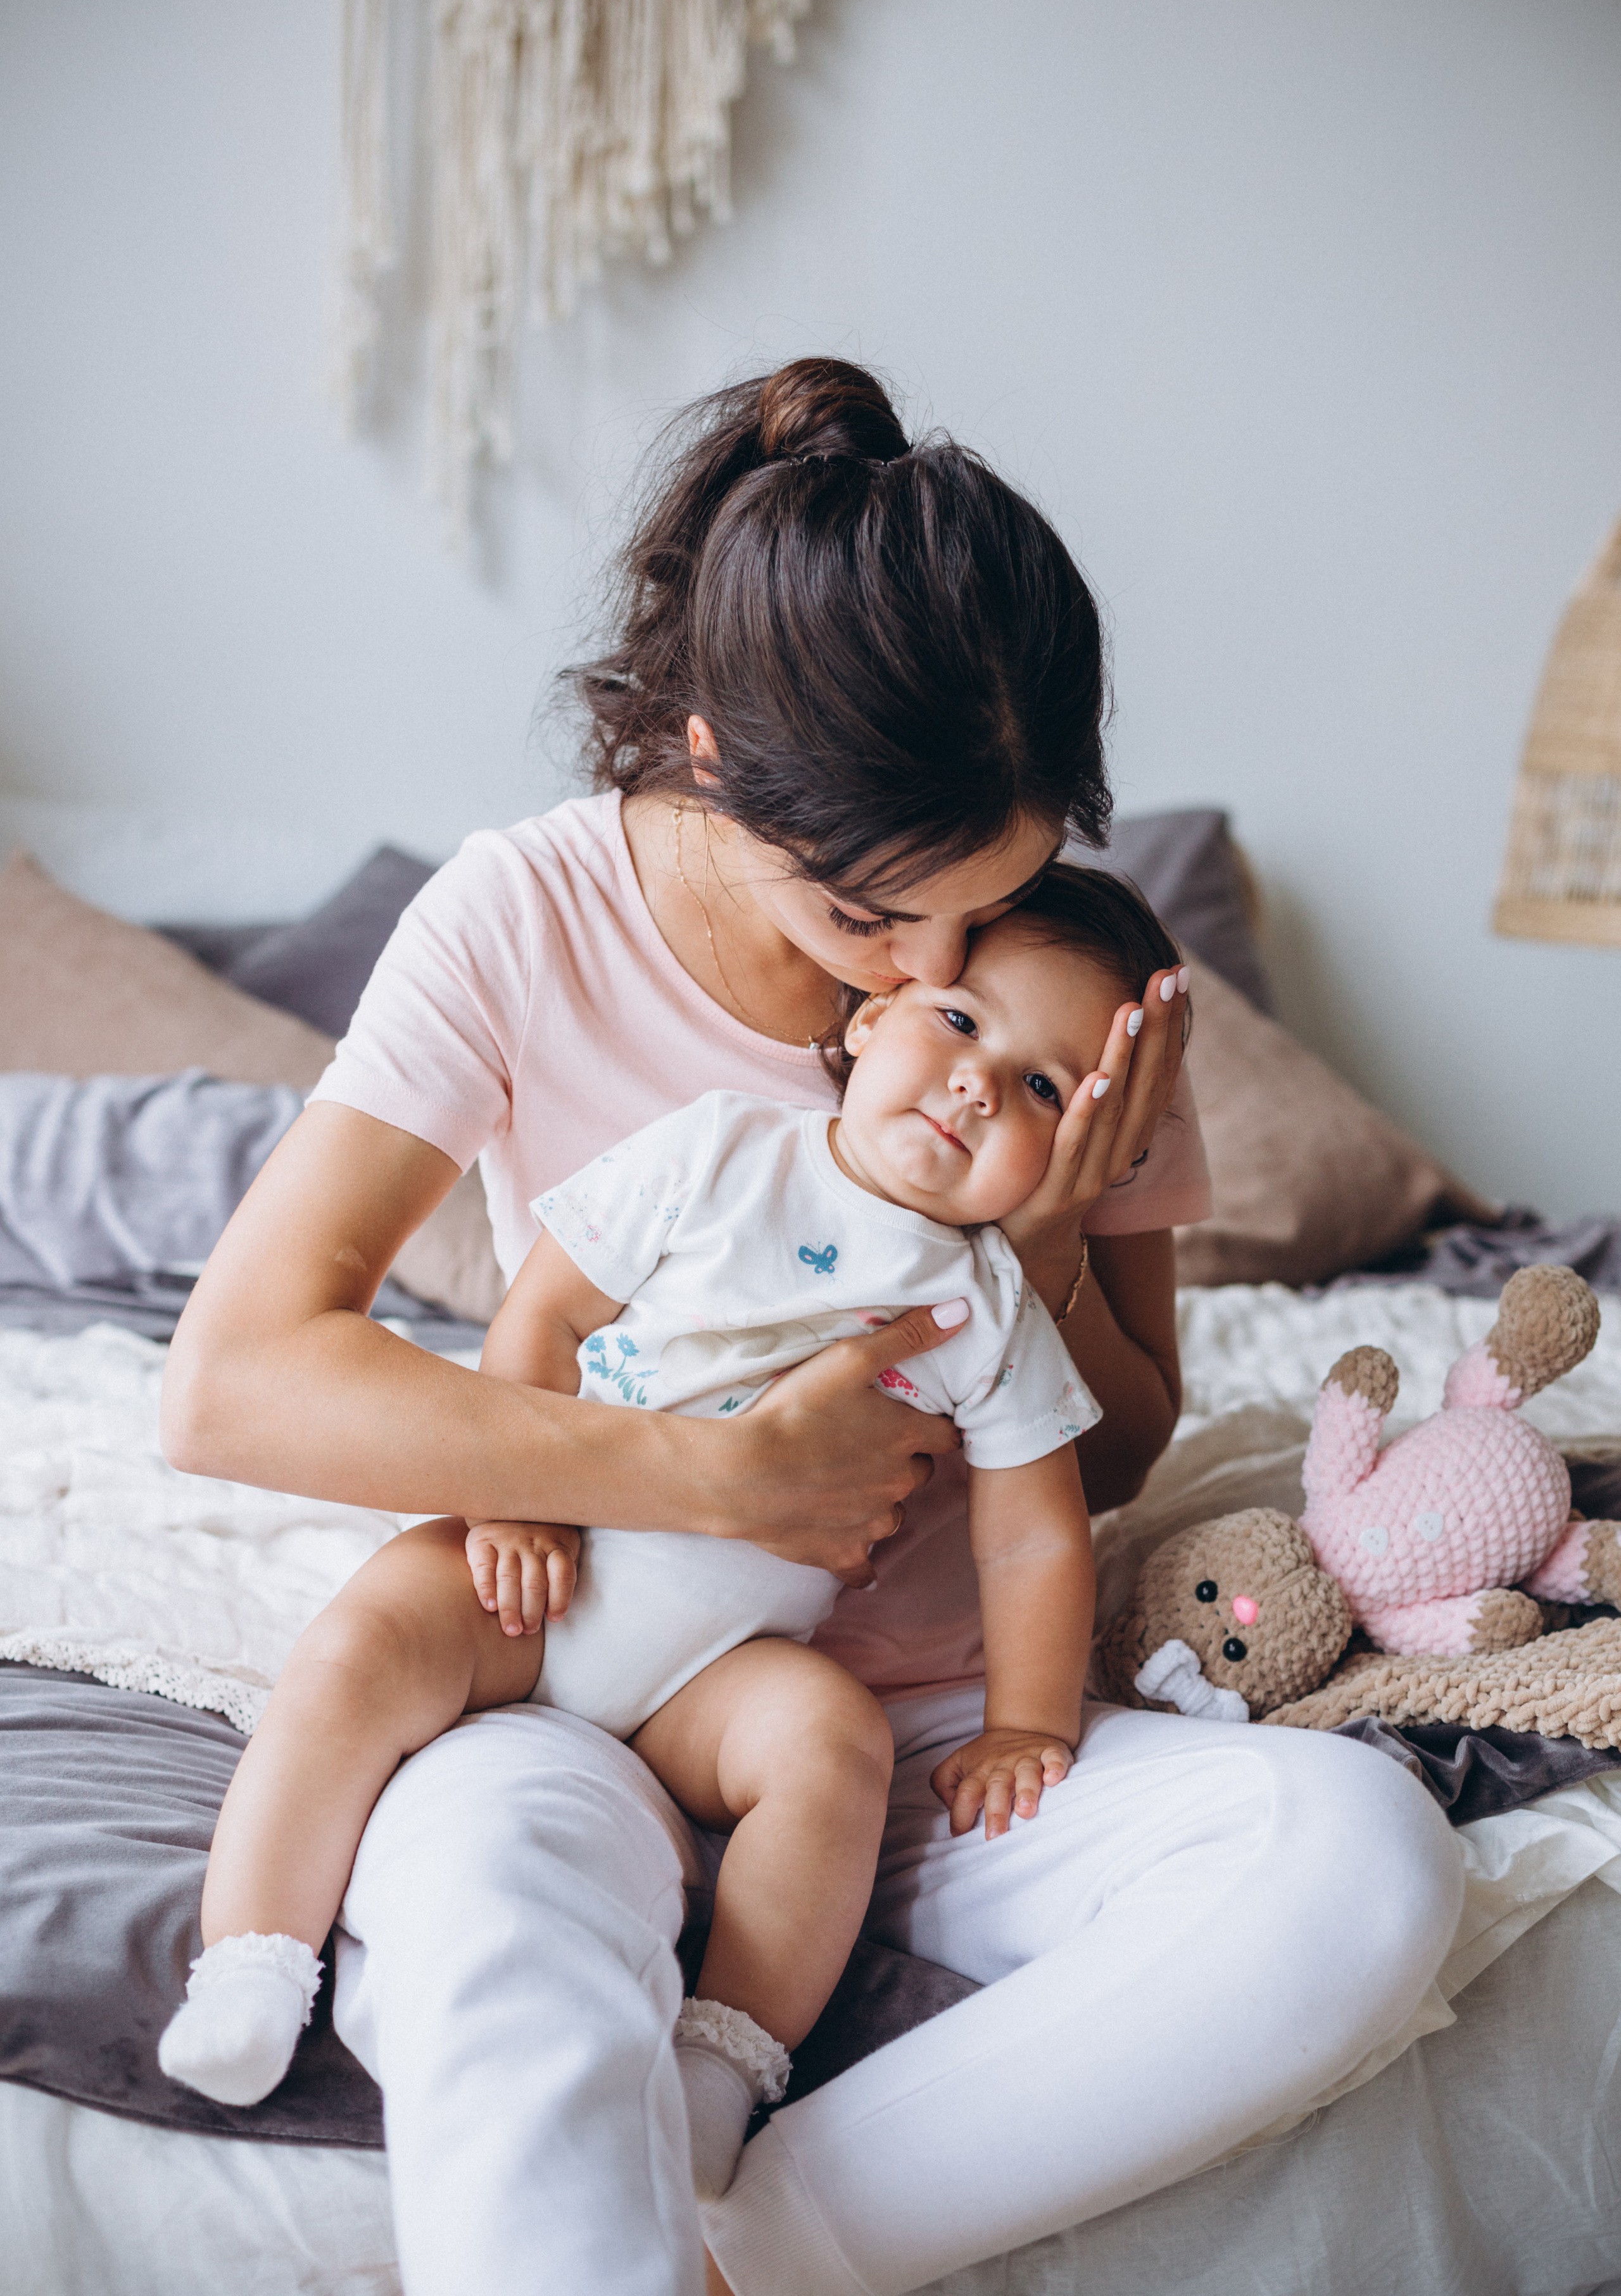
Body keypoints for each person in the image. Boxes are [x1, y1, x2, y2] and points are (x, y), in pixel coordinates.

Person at [163, 357, 1463, 2296]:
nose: (942, 979)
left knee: (1365, 1870)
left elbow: (1106, 1459)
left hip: (926, 1714)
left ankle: (765, 2247)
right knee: (487, 1935)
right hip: (589, 1651)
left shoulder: (1075, 995)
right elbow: (234, 1380)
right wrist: (716, 1477)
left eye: (996, 897)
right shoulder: (521, 921)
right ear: (707, 758)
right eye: (881, 927)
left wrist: (1032, 1233)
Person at [159, 870, 1173, 2188]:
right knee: (360, 1644)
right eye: (964, 1025)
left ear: (1083, 1158)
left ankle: (723, 2063)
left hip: (722, 1666)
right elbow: (541, 1318)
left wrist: (1029, 1724)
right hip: (546, 1575)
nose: (982, 1085)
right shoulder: (720, 1149)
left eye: (1043, 1090)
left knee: (832, 1745)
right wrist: (515, 1501)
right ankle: (252, 1960)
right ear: (871, 1021)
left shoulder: (989, 1308)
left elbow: (1032, 1540)